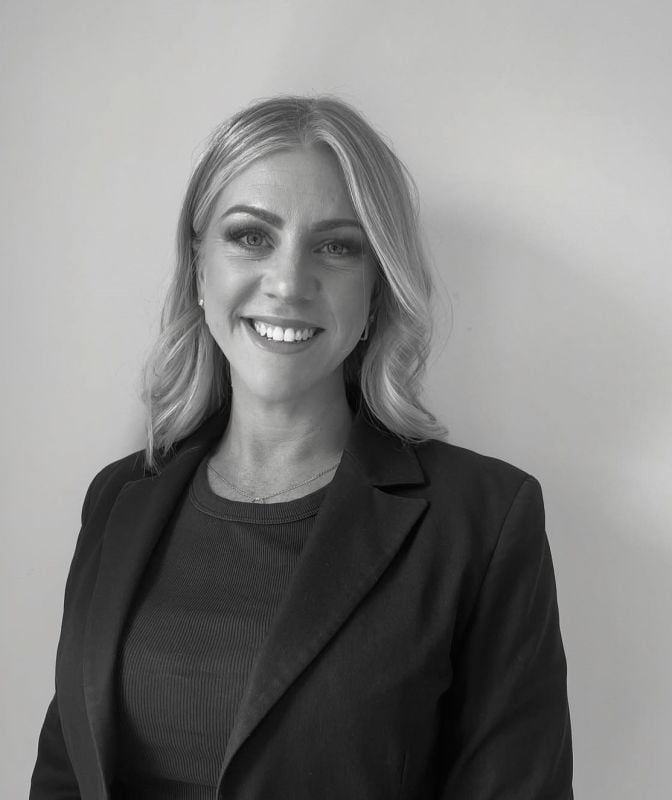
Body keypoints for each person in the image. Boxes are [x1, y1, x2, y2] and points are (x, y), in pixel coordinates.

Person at [29, 95, 573, 799]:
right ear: (198, 267)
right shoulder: (117, 498)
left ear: (377, 288)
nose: (288, 283)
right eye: (251, 236)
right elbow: (67, 771)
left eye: (337, 246)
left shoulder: (484, 521)